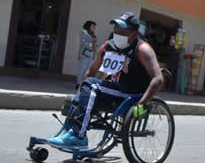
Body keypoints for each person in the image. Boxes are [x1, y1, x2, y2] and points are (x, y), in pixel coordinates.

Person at [47, 12, 164, 148]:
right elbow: (91, 71)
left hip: (130, 94)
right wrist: (78, 94)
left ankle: (78, 136)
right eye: (115, 28)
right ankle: (71, 132)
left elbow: (158, 79)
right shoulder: (108, 46)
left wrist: (142, 103)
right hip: (113, 89)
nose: (117, 32)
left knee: (92, 86)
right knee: (82, 92)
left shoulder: (142, 49)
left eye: (122, 29)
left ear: (134, 32)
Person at [77, 21, 97, 89]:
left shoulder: (92, 34)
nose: (94, 28)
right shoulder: (84, 32)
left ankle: (84, 84)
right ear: (88, 26)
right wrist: (92, 45)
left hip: (91, 54)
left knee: (87, 70)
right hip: (85, 53)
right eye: (92, 26)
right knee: (82, 69)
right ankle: (78, 83)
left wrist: (94, 46)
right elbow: (83, 42)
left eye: (94, 27)